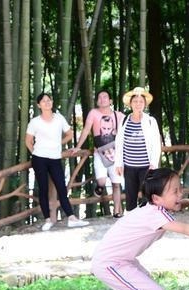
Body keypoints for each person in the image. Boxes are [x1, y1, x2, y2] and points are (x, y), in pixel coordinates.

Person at [25, 93, 90, 231]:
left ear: (52, 102)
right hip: (39, 158)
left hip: (55, 158)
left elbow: (70, 134)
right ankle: (48, 220)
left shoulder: (59, 118)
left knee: (61, 187)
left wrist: (57, 143)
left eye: (49, 100)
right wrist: (36, 153)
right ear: (38, 105)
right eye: (43, 101)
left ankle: (71, 218)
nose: (47, 102)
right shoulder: (35, 121)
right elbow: (28, 141)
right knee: (43, 189)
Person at [71, 89, 125, 218]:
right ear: (97, 101)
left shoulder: (119, 115)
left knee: (116, 183)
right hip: (99, 153)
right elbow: (86, 130)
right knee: (101, 180)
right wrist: (78, 147)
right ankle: (99, 187)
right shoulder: (93, 113)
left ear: (110, 101)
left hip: (115, 153)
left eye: (105, 97)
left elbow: (125, 133)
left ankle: (117, 211)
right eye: (99, 97)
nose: (102, 99)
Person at [115, 87, 162, 211]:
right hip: (129, 166)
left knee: (147, 196)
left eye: (141, 101)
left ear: (145, 104)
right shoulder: (124, 120)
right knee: (130, 197)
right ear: (130, 104)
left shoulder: (151, 121)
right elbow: (119, 143)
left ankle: (146, 223)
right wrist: (118, 163)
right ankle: (131, 223)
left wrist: (153, 164)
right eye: (135, 101)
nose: (138, 104)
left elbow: (156, 144)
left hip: (146, 167)